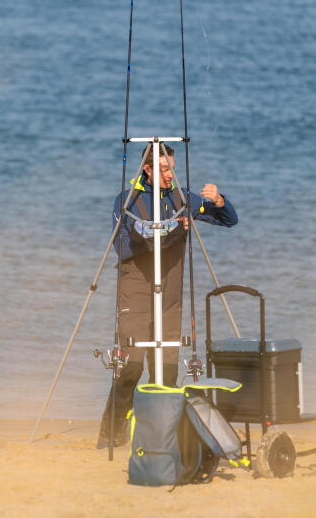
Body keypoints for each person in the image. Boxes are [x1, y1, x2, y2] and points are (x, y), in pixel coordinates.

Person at [97, 142, 238, 447]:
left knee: (166, 373)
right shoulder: (127, 200)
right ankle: (111, 436)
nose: (169, 175)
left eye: (172, 168)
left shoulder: (183, 197)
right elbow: (123, 247)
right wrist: (166, 231)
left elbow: (228, 220)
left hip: (171, 294)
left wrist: (218, 199)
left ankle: (157, 437)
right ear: (147, 169)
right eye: (163, 169)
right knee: (130, 368)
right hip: (135, 292)